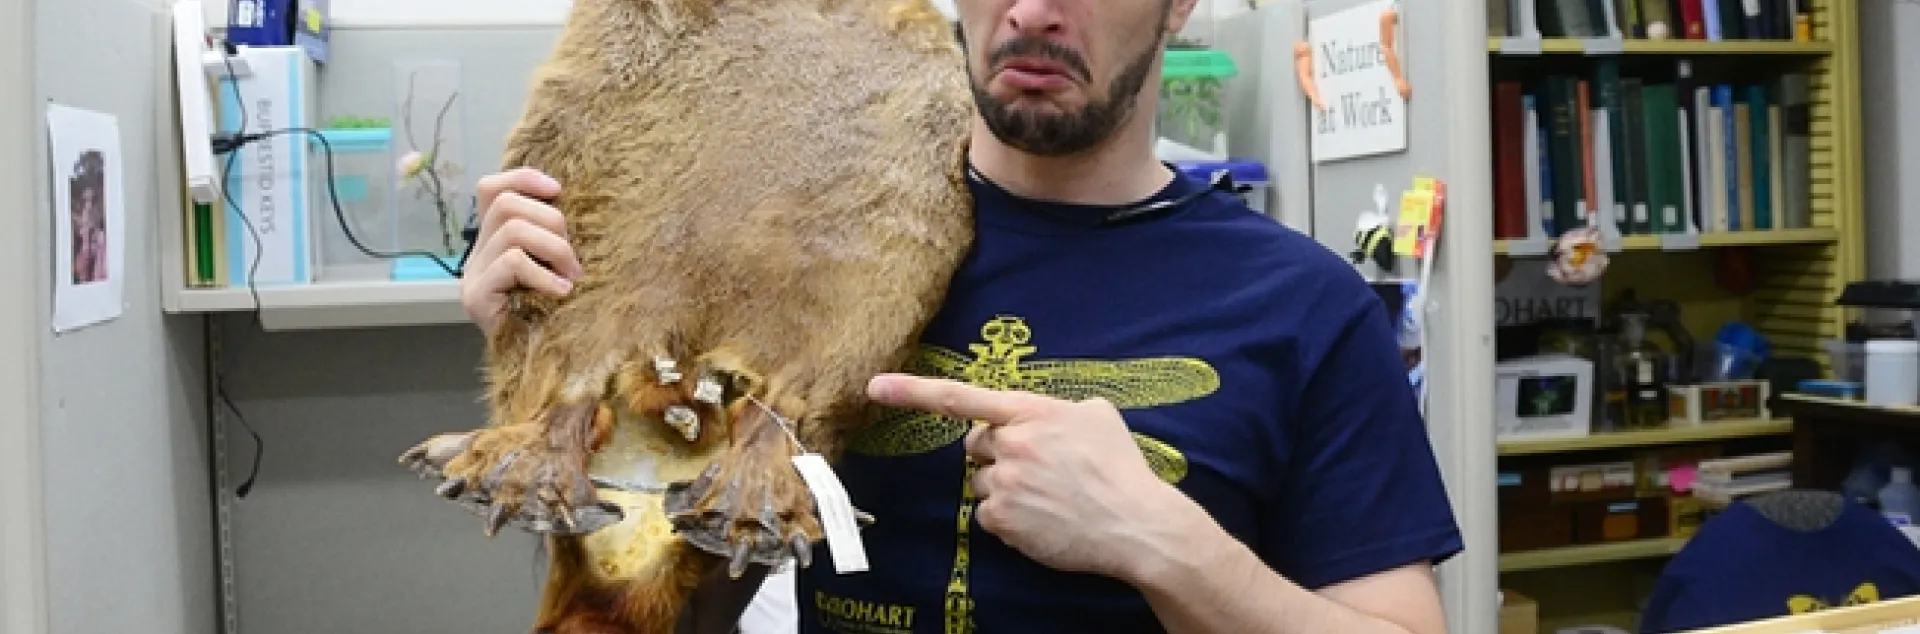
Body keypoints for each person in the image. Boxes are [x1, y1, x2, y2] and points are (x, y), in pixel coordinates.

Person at [456, 0, 1464, 631]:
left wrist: (1161, 541)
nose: (1033, 10)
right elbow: (670, 604)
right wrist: (565, 357)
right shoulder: (809, 255)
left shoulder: (1304, 305)